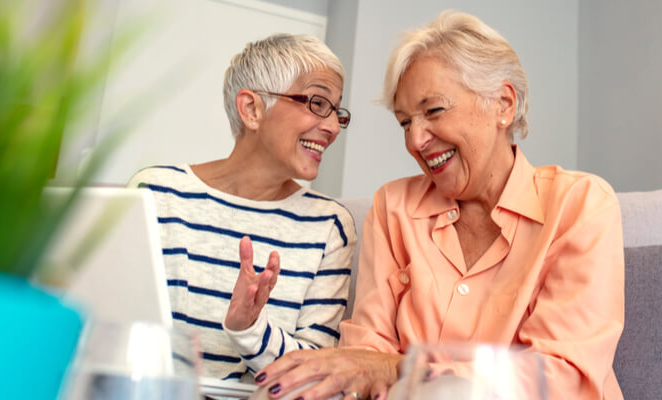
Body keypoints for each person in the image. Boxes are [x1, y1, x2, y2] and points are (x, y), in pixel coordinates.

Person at [253, 11, 625, 400]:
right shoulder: (393, 207)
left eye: (433, 111)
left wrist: (403, 369)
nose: (415, 140)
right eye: (404, 123)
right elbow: (364, 354)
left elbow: (560, 378)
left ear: (503, 104)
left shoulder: (580, 205)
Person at [127, 33, 357, 382]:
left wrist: (249, 329)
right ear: (252, 109)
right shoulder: (156, 194)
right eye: (317, 104)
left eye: (337, 111)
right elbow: (117, 330)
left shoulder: (330, 225)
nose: (332, 127)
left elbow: (317, 374)